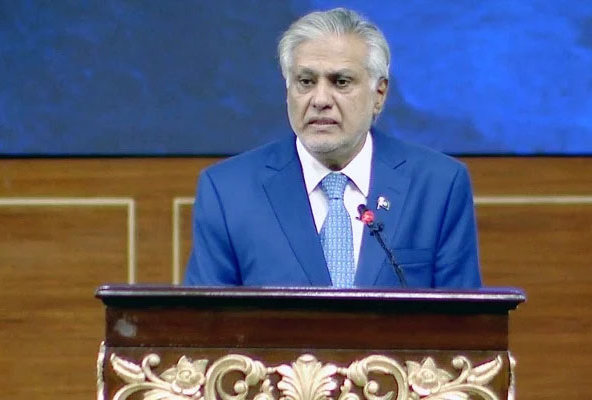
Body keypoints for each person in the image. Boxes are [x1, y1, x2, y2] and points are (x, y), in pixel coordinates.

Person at [184, 8, 482, 288]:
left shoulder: (438, 185)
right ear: (288, 89)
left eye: (340, 82)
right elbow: (204, 320)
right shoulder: (228, 191)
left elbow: (463, 319)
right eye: (306, 81)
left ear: (379, 94)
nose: (320, 100)